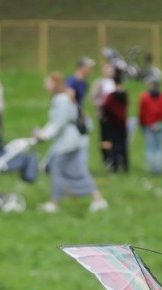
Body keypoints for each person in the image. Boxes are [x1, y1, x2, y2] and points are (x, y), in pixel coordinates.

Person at [34, 72, 108, 214]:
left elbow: (59, 122)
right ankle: (96, 199)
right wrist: (43, 133)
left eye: (48, 83)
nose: (45, 86)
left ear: (55, 84)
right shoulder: (62, 98)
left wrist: (44, 135)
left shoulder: (61, 100)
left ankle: (55, 203)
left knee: (58, 169)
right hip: (70, 142)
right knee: (74, 171)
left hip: (68, 143)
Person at [138, 77, 162, 175]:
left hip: (148, 124)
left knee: (150, 147)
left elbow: (142, 112)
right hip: (159, 124)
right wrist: (161, 122)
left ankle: (151, 168)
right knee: (158, 148)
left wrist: (142, 123)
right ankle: (158, 168)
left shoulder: (145, 97)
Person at [102, 71, 129, 173]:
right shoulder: (124, 95)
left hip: (113, 123)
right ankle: (123, 165)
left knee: (114, 145)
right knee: (122, 145)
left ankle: (115, 165)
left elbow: (106, 107)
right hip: (121, 123)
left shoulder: (111, 96)